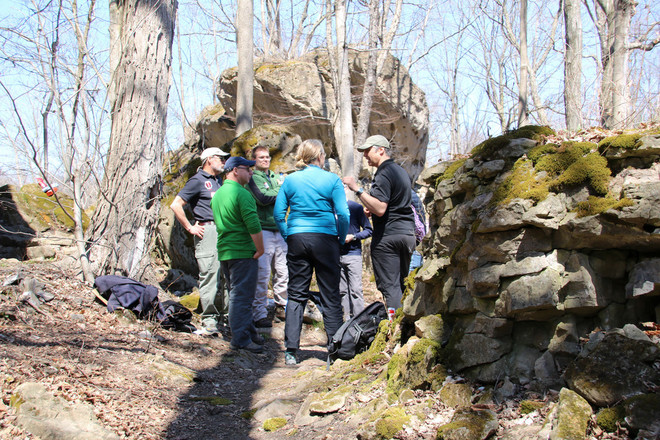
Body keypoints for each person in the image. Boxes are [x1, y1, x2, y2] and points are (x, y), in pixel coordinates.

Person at [274, 139, 350, 366]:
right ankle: (335, 350)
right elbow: (344, 214)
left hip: (298, 238)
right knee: (330, 294)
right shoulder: (332, 180)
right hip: (326, 238)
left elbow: (279, 215)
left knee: (296, 294)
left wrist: (289, 236)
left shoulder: (290, 180)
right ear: (320, 156)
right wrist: (339, 238)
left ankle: (290, 351)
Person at [342, 135, 415, 316]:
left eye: (368, 151)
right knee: (402, 284)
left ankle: (394, 333)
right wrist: (371, 209)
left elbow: (381, 208)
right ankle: (406, 326)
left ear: (380, 150)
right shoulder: (401, 171)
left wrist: (356, 189)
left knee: (390, 287)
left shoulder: (383, 173)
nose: (365, 155)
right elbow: (393, 203)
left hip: (388, 238)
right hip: (407, 235)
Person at [170, 147, 230, 335]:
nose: (223, 162)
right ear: (209, 159)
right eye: (220, 158)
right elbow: (176, 204)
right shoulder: (197, 181)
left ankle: (228, 319)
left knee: (227, 275)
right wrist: (190, 227)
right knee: (210, 274)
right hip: (207, 231)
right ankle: (209, 321)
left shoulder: (218, 182)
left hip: (224, 231)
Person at [211, 156, 265, 353]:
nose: (251, 173)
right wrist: (260, 249)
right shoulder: (242, 194)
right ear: (234, 170)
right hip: (243, 251)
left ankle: (249, 332)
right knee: (241, 297)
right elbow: (253, 224)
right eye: (247, 169)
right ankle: (240, 340)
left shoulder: (218, 194)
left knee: (238, 294)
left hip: (226, 251)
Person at [247, 145, 288, 328]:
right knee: (262, 273)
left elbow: (287, 197)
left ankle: (281, 307)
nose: (265, 159)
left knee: (283, 271)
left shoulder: (276, 177)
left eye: (267, 157)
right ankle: (259, 313)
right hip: (263, 229)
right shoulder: (252, 178)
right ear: (254, 160)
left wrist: (279, 192)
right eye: (261, 157)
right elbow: (262, 199)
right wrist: (281, 192)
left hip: (280, 228)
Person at [339, 200, 372, 320]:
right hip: (336, 255)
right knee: (342, 291)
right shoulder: (328, 207)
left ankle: (359, 321)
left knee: (356, 290)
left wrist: (353, 237)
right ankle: (345, 321)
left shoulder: (355, 207)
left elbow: (369, 230)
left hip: (353, 254)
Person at [409, 188, 427, 273]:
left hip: (412, 241)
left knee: (411, 272)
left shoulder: (403, 194)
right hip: (417, 240)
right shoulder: (412, 194)